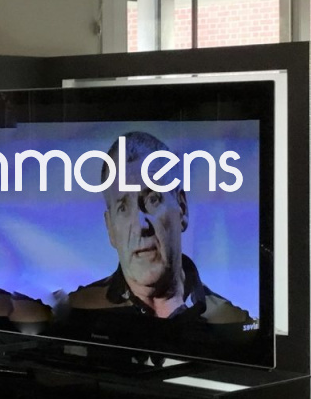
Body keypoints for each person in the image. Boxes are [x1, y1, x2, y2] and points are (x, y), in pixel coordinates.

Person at [57, 130, 253, 343]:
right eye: (123, 208)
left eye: (153, 200)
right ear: (110, 229)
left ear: (182, 209)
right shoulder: (76, 311)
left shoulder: (232, 323)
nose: (140, 225)